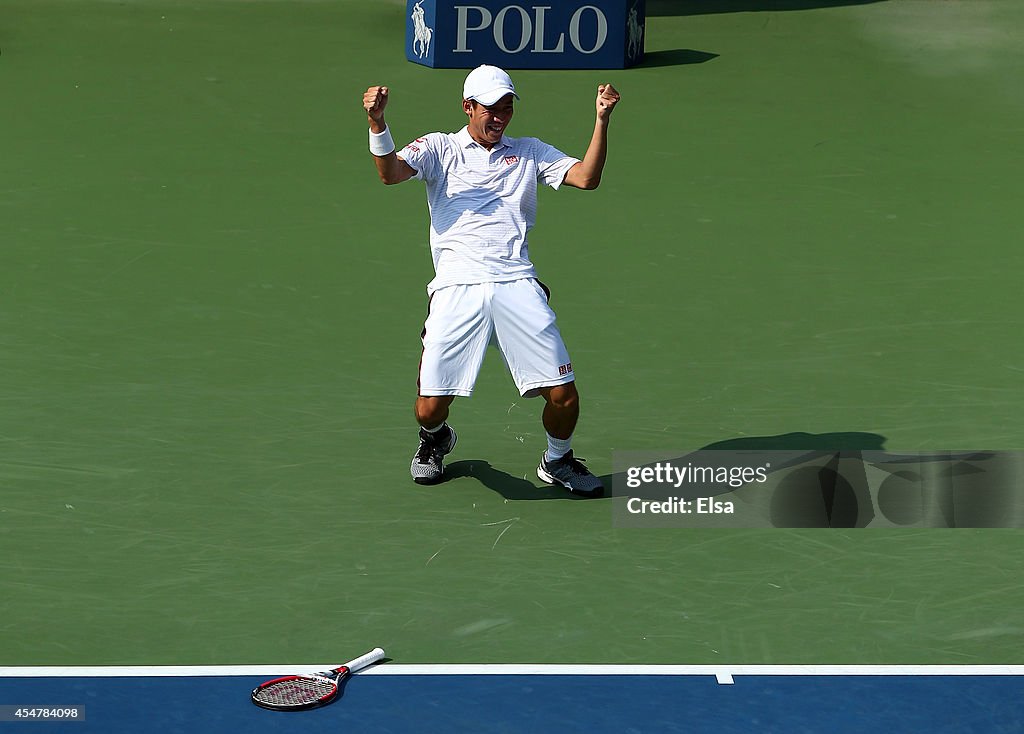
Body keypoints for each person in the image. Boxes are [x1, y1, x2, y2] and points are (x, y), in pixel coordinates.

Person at [362, 64, 619, 496]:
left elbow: (586, 178)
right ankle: (435, 438)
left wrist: (601, 120)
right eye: (490, 109)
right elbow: (390, 172)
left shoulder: (531, 151)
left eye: (507, 109)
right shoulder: (439, 148)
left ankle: (558, 459)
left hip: (516, 282)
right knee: (429, 409)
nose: (500, 117)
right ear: (467, 107)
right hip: (456, 286)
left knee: (564, 396)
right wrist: (377, 123)